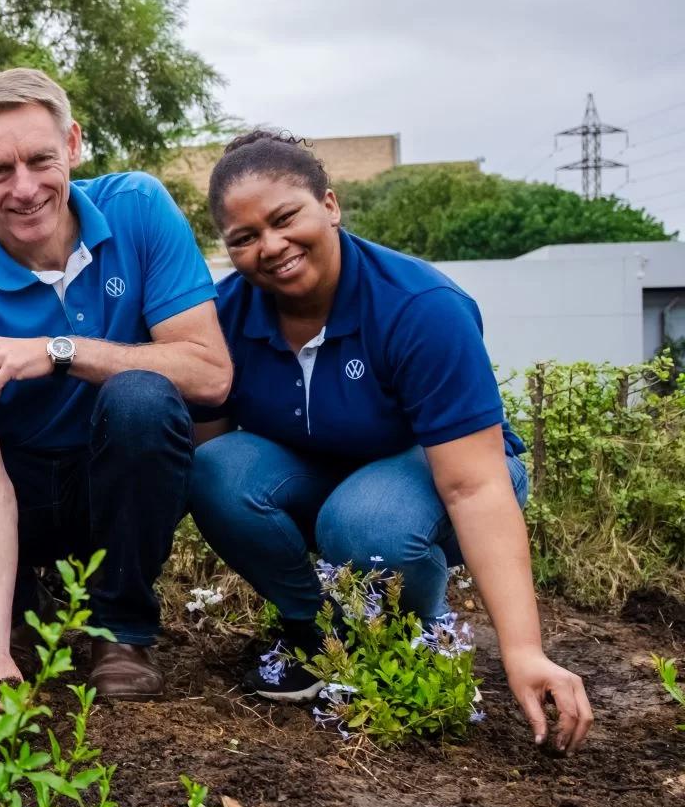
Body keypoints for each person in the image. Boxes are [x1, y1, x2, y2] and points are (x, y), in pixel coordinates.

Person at [187, 130, 592, 751]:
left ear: (330, 204)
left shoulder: (420, 308)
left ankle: (424, 638)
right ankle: (316, 629)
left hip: (446, 477)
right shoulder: (226, 317)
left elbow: (474, 485)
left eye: (285, 218)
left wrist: (523, 649)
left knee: (365, 523)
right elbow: (214, 457)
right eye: (243, 238)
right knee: (212, 470)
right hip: (324, 473)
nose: (270, 247)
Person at [0, 69, 232, 711]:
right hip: (18, 475)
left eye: (40, 160)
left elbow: (210, 373)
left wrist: (61, 351)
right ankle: (18, 615)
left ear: (74, 145)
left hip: (116, 465)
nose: (25, 188)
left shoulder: (139, 209)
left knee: (141, 399)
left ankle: (119, 631)